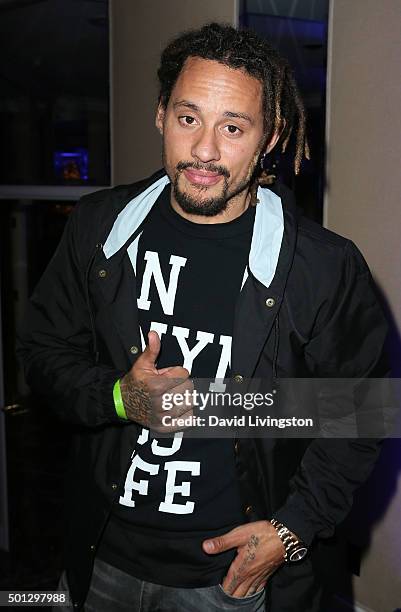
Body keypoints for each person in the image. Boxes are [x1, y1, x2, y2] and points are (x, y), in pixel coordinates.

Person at [19, 22, 388, 612]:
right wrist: (118, 396)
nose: (206, 152)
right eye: (189, 118)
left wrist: (290, 530)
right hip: (98, 557)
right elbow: (42, 354)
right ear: (161, 114)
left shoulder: (323, 267)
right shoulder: (97, 229)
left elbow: (361, 411)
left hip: (230, 582)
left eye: (234, 127)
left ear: (272, 137)